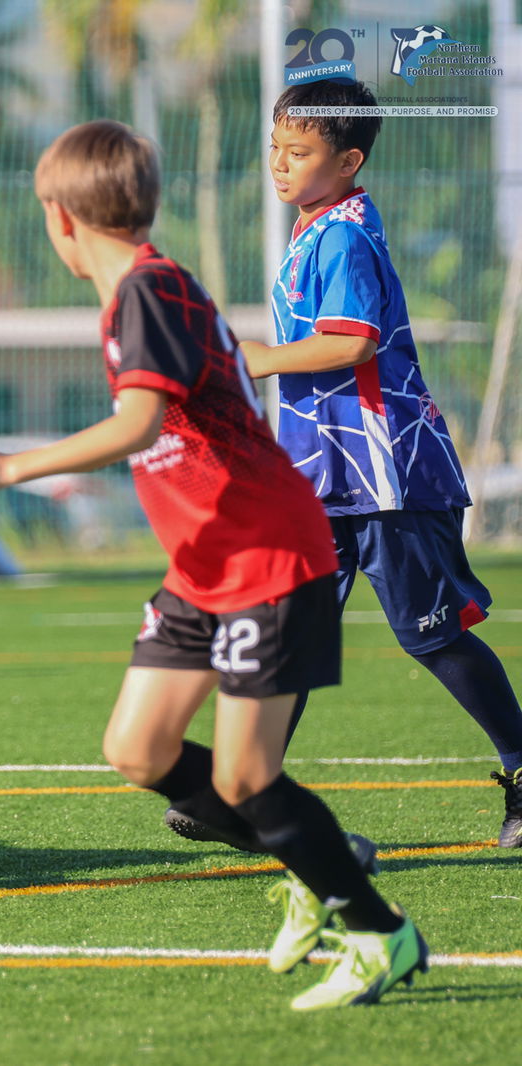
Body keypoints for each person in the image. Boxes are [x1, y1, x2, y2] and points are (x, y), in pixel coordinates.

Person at [0, 120, 426, 1011]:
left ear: (61, 218)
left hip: (266, 554)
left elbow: (139, 424)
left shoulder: (147, 292)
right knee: (138, 747)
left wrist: (9, 465)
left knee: (244, 781)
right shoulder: (140, 295)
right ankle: (316, 858)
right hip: (205, 565)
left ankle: (381, 931)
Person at [236, 78, 522, 849]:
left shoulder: (344, 236)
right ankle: (250, 788)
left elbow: (353, 342)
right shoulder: (317, 227)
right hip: (322, 477)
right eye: (276, 148)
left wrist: (254, 360)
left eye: (301, 152)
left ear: (349, 159)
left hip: (383, 475)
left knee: (431, 636)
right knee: (293, 633)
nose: (281, 165)